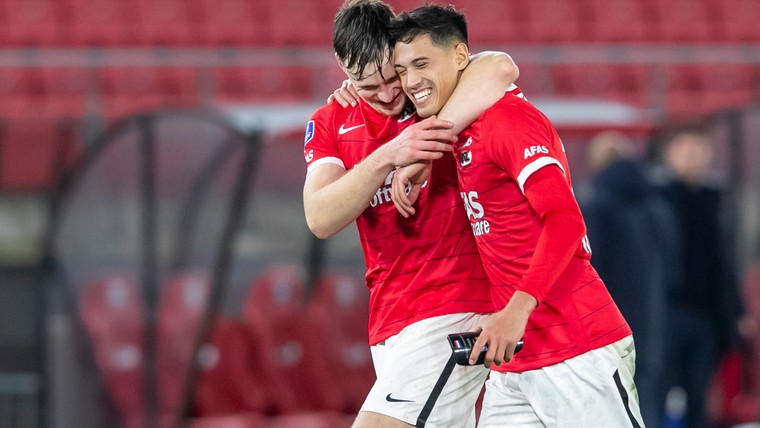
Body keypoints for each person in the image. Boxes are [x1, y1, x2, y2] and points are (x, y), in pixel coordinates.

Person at [389, 5, 643, 426]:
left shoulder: (508, 121)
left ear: (458, 57)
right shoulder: (460, 131)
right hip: (515, 358)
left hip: (576, 347)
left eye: (420, 63)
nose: (410, 81)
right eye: (401, 70)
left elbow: (565, 220)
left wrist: (515, 311)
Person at [302, 1, 519, 426]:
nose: (386, 94)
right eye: (367, 86)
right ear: (342, 71)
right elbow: (320, 217)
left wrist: (431, 139)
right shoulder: (331, 121)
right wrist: (390, 156)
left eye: (391, 77)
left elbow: (499, 67)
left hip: (454, 305)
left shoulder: (435, 94)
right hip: (389, 318)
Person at [581, 130, 678, 427]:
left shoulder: (596, 206)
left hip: (606, 330)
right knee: (645, 406)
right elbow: (672, 267)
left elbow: (588, 270)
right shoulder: (658, 206)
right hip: (653, 326)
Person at [655, 125, 742, 428]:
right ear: (670, 155)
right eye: (686, 150)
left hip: (705, 315)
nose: (693, 157)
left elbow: (726, 263)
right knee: (657, 391)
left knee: (699, 396)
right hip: (666, 313)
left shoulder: (716, 201)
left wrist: (736, 311)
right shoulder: (658, 200)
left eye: (699, 150)